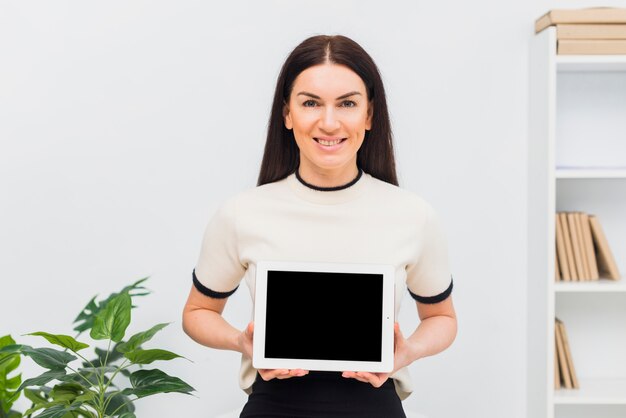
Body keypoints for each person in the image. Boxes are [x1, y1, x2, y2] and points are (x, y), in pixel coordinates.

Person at [182, 34, 457, 418]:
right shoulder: (242, 212)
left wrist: (407, 351)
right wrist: (240, 341)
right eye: (311, 103)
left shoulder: (412, 214)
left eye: (347, 103)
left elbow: (442, 318)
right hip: (273, 406)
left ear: (370, 114)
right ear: (287, 114)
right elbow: (196, 312)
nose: (329, 122)